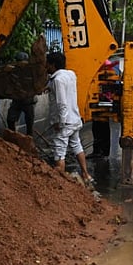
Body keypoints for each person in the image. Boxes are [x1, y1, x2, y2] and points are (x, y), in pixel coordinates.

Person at [46, 51, 93, 184]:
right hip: (75, 119)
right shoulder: (71, 75)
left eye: (47, 64)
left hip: (64, 122)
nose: (46, 66)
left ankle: (62, 185)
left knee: (59, 152)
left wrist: (60, 123)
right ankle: (86, 175)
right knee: (77, 146)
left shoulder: (57, 80)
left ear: (53, 65)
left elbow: (62, 103)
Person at [5, 51, 37, 136]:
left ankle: (29, 139)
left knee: (29, 122)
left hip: (28, 100)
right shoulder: (14, 70)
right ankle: (13, 137)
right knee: (10, 119)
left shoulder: (31, 71)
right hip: (17, 100)